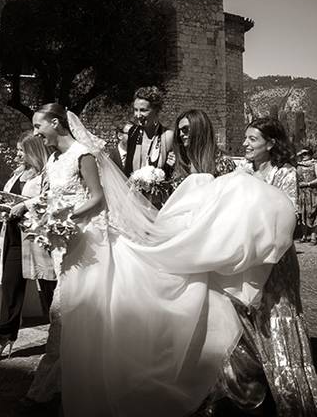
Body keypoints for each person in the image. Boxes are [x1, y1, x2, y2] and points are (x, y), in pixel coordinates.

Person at [26, 103, 296, 417]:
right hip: (186, 240)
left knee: (231, 320)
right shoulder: (177, 162)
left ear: (200, 131)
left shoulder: (223, 165)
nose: (181, 138)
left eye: (186, 132)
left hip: (223, 247)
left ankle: (247, 391)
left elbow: (229, 204)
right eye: (179, 132)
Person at [214, 117, 317, 416]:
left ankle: (292, 398)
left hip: (277, 263)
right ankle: (250, 392)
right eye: (246, 138)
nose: (245, 144)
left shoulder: (285, 174)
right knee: (246, 318)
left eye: (252, 139)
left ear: (271, 143)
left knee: (278, 318)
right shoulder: (243, 172)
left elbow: (284, 218)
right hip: (247, 259)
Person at [0, 131, 55, 361]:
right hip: (14, 238)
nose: (16, 155)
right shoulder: (18, 174)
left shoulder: (46, 175)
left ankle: (58, 335)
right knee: (10, 286)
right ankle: (4, 337)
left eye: (20, 150)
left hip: (37, 239)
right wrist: (0, 202)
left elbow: (50, 201)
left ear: (33, 151)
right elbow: (9, 199)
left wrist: (25, 206)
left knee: (48, 287)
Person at [172, 109, 236, 180]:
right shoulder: (182, 163)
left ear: (198, 129)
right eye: (179, 131)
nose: (181, 134)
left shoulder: (222, 163)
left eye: (185, 129)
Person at [296, 148, 317, 244]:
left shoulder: (315, 164)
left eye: (305, 153)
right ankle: (304, 236)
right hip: (302, 193)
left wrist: (307, 184)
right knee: (302, 214)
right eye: (302, 154)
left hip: (313, 193)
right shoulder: (299, 165)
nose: (303, 155)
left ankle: (313, 237)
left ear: (310, 154)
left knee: (313, 214)